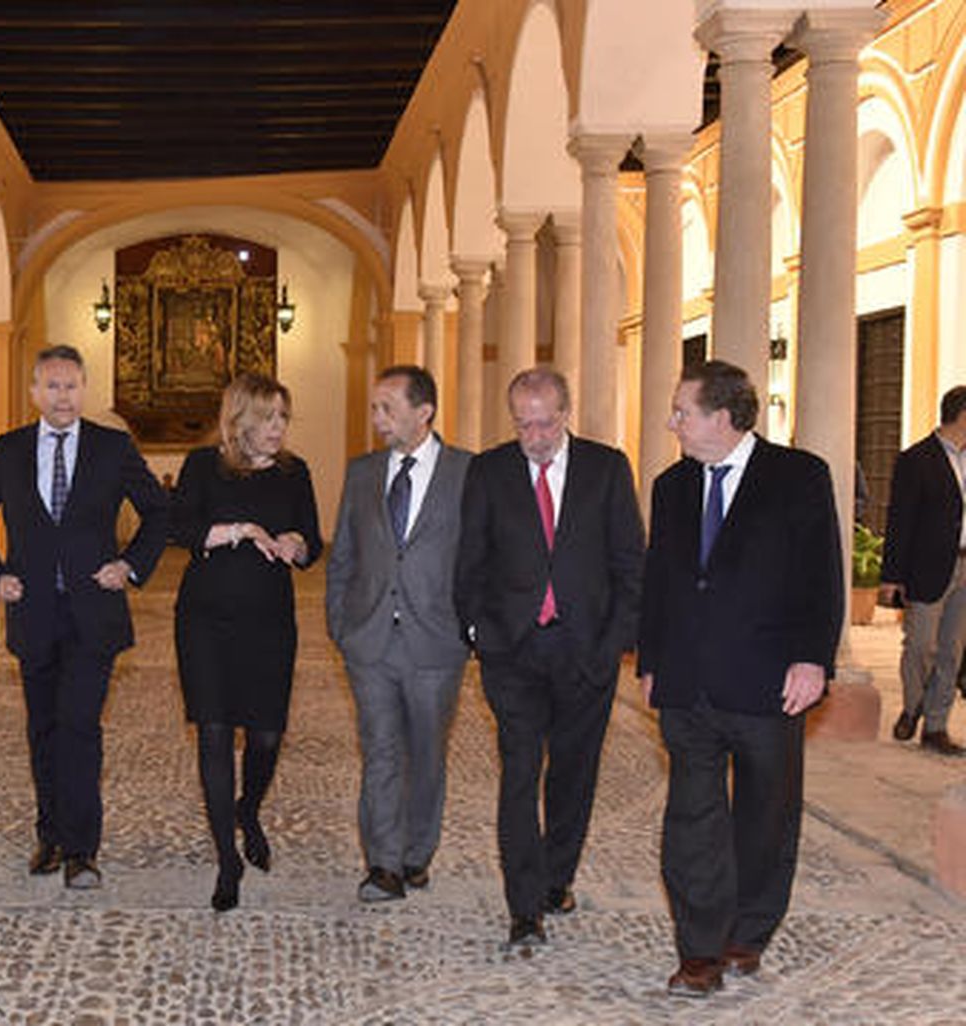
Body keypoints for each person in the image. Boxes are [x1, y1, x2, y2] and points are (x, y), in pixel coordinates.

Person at [639, 360, 842, 997]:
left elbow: (823, 577)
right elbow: (660, 580)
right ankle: (698, 950)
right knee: (692, 818)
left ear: (723, 417)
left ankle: (745, 933)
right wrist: (649, 660)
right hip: (688, 684)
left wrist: (814, 659)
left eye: (683, 412)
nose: (672, 423)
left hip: (768, 682)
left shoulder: (799, 476)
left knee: (766, 814)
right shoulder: (671, 485)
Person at [454, 367, 644, 949]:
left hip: (585, 651)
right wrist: (479, 633)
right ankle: (524, 908)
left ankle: (557, 878)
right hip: (512, 651)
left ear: (566, 412)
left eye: (544, 422)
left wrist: (613, 643)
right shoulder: (488, 471)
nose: (533, 436)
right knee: (518, 774)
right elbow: (470, 564)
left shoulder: (607, 469)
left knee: (573, 775)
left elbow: (629, 566)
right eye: (522, 424)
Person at [0, 345, 170, 888]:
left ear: (83, 390)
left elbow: (159, 512)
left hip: (93, 612)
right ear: (35, 392)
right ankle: (51, 836)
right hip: (33, 612)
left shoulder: (113, 448)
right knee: (42, 726)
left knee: (79, 725)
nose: (62, 396)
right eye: (52, 386)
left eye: (71, 386)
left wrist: (130, 565)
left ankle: (82, 849)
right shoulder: (6, 450)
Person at [171, 373, 322, 911]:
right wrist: (242, 530)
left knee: (265, 736)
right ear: (241, 420)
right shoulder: (201, 466)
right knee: (214, 731)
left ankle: (249, 808)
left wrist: (294, 542)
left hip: (269, 621)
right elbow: (181, 528)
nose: (279, 427)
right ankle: (226, 859)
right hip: (206, 619)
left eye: (283, 416)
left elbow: (312, 541)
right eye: (269, 417)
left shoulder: (293, 471)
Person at [326, 365, 472, 904]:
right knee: (381, 749)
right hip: (369, 642)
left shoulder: (466, 472)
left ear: (424, 411)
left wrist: (469, 628)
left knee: (427, 752)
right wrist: (341, 625)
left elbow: (480, 559)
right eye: (374, 407)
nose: (377, 419)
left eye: (388, 408)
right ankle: (382, 864)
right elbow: (343, 553)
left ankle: (416, 853)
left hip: (436, 643)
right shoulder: (362, 472)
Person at [881, 384, 966, 756]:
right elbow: (900, 520)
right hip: (928, 567)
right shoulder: (916, 459)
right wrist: (891, 576)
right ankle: (913, 703)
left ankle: (935, 726)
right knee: (920, 645)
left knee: (952, 650)